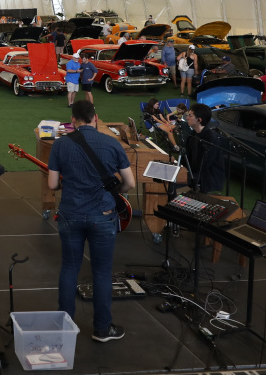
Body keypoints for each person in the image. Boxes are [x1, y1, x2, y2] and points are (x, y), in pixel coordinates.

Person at [46, 100, 135, 344]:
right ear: (95, 118)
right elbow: (129, 183)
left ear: (73, 121)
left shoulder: (60, 144)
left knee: (69, 269)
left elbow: (52, 184)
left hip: (71, 214)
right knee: (102, 273)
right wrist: (116, 193)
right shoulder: (111, 143)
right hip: (103, 216)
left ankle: (64, 328)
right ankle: (102, 329)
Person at [154, 103, 226, 196]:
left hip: (205, 177)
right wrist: (175, 167)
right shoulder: (193, 135)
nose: (187, 118)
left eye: (190, 116)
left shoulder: (211, 138)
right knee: (159, 176)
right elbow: (186, 158)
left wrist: (181, 174)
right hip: (193, 172)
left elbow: (203, 165)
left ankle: (172, 203)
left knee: (170, 183)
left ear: (199, 120)